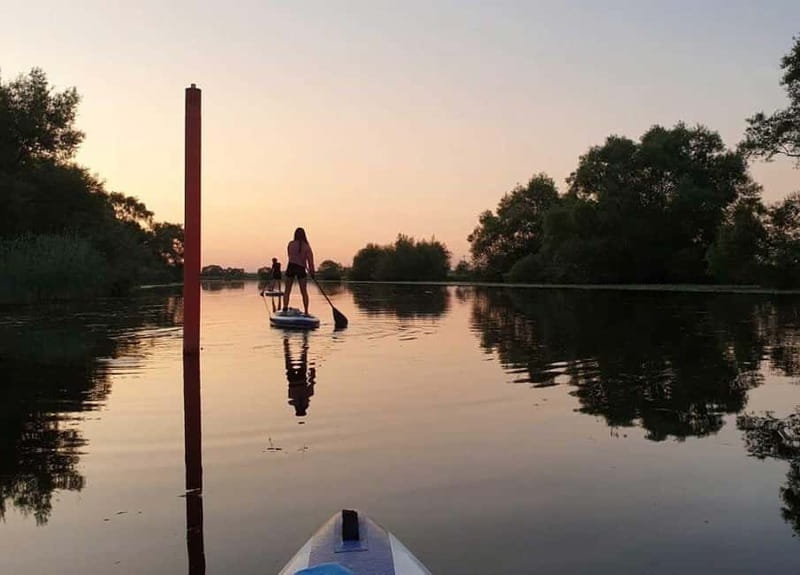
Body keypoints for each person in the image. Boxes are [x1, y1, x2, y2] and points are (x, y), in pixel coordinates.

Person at [283, 227, 315, 315]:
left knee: (287, 290)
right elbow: (310, 261)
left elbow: (289, 256)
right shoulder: (306, 246)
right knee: (304, 291)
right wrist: (312, 272)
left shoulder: (290, 244)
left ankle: (285, 308)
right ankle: (306, 311)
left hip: (291, 266)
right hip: (301, 268)